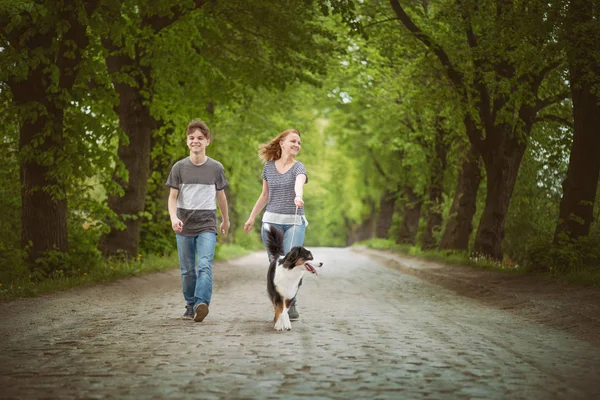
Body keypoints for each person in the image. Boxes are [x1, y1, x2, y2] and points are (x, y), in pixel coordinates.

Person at [166, 119, 230, 322]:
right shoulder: (178, 167)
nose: (196, 141)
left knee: (204, 264)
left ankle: (202, 303)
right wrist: (173, 217)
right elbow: (172, 197)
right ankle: (190, 305)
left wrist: (225, 220)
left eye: (200, 138)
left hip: (207, 225)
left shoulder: (216, 168)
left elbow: (221, 197)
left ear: (207, 141)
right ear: (187, 141)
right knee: (187, 270)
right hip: (184, 225)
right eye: (192, 138)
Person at [244, 128, 308, 320]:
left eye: (299, 142)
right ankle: (281, 301)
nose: (297, 145)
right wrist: (252, 217)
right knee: (277, 264)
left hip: (294, 222)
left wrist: (298, 196)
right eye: (293, 141)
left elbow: (299, 183)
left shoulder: (299, 167)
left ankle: (291, 302)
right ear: (282, 143)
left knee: (293, 262)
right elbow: (265, 196)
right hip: (270, 222)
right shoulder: (268, 167)